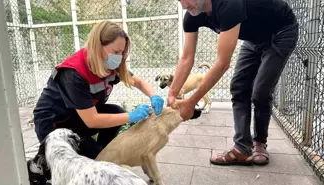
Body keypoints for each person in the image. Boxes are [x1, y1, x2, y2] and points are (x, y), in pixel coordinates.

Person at [27, 20, 164, 183]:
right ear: (98, 46)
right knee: (91, 167)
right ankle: (38, 166)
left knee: (114, 115)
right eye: (116, 51)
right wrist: (131, 116)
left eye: (122, 52)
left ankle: (101, 152)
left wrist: (153, 95)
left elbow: (138, 82)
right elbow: (92, 120)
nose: (119, 57)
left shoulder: (109, 65)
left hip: (78, 118)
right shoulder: (74, 72)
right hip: (55, 124)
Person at [168, 0, 299, 166]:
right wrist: (172, 93)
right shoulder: (192, 14)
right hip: (253, 38)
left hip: (281, 32)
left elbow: (223, 63)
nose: (184, 5)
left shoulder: (228, 4)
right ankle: (242, 148)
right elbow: (187, 58)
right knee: (238, 87)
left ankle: (259, 143)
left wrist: (191, 102)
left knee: (260, 91)